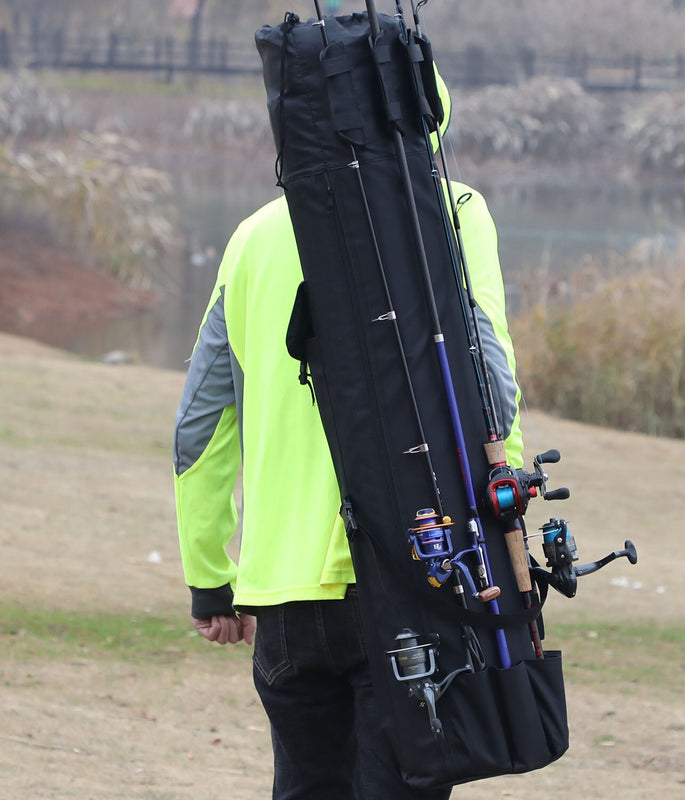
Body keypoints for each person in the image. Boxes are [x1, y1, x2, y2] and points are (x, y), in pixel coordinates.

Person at [173, 74, 524, 799]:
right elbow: (493, 386)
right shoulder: (452, 213)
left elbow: (198, 428)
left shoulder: (254, 236)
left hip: (284, 598)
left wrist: (211, 575)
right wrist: (504, 513)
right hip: (414, 576)